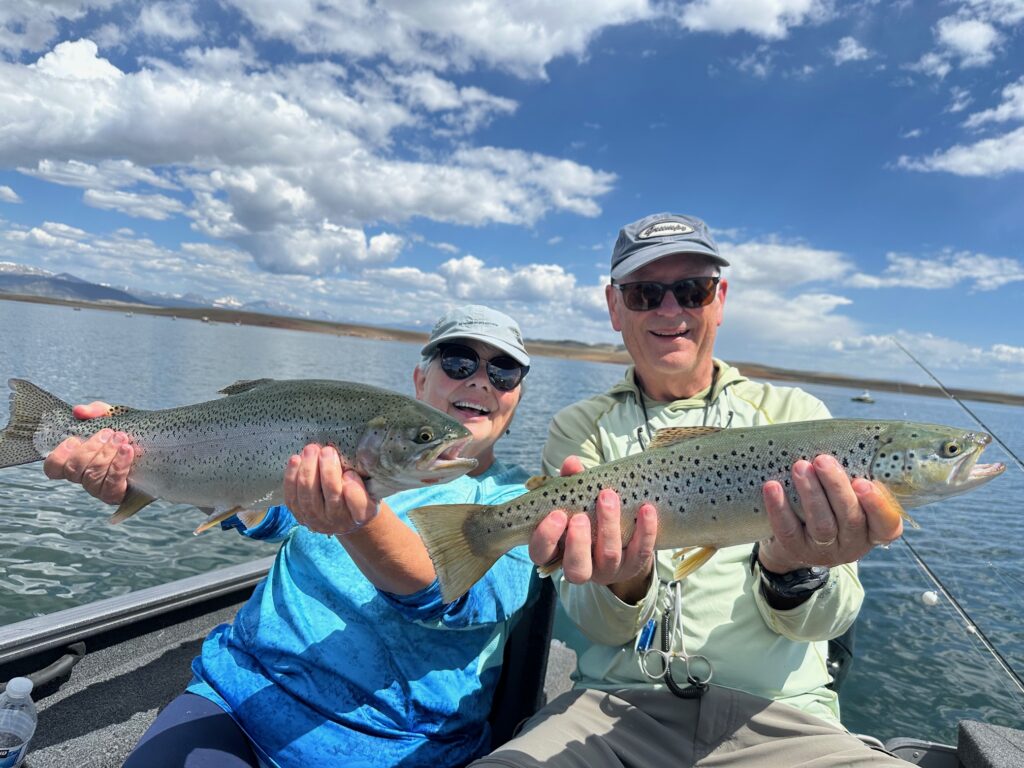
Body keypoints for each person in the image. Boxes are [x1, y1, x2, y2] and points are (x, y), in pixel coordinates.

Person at [473, 213, 909, 767]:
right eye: (644, 293)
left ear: (720, 299)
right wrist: (626, 576)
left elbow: (830, 620)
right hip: (612, 714)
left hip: (785, 720)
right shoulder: (579, 429)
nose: (670, 309)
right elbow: (594, 624)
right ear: (614, 306)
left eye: (692, 289)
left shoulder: (799, 418)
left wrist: (794, 569)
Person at [43, 305, 536, 768]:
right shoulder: (352, 442)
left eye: (503, 372)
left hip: (390, 746)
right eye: (458, 361)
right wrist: (138, 459)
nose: (479, 379)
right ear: (419, 378)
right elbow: (264, 513)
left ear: (515, 398)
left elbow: (444, 594)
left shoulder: (526, 501)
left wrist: (356, 522)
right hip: (237, 696)